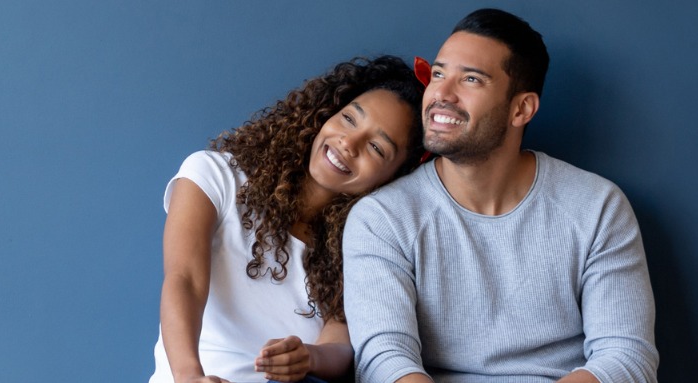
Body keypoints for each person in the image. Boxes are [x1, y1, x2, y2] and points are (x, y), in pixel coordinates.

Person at [343, 9, 659, 383]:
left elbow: (627, 358)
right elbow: (384, 361)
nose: (440, 93)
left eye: (471, 79)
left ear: (521, 108)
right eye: (439, 73)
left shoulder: (596, 207)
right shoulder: (383, 217)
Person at [151, 56, 428, 383]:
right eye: (350, 119)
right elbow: (184, 278)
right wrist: (189, 377)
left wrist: (309, 356)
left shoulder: (365, 243)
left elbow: (340, 345)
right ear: (328, 112)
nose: (348, 143)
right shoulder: (216, 175)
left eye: (377, 148)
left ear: (394, 178)